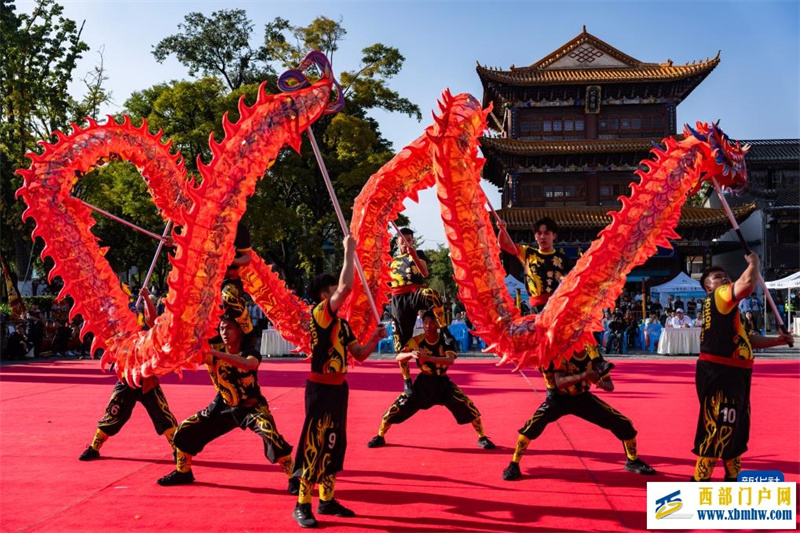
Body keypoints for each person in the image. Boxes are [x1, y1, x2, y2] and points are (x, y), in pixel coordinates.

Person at [292, 235, 386, 528]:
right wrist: (349, 251)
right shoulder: (320, 314)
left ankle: (328, 499)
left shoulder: (342, 325)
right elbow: (347, 287)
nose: (340, 293)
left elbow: (359, 354)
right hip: (319, 389)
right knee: (315, 444)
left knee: (333, 445)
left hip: (339, 389)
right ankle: (302, 504)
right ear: (324, 295)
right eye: (332, 290)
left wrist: (374, 339)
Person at [156, 311, 298, 493]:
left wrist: (215, 353)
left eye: (229, 328)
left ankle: (294, 478)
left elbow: (249, 365)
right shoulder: (213, 348)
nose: (224, 331)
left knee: (270, 433)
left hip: (251, 406)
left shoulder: (250, 352)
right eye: (222, 328)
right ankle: (183, 471)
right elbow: (192, 356)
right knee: (185, 428)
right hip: (223, 404)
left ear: (239, 330)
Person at [691, 255, 793, 482]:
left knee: (734, 426)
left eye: (725, 276)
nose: (724, 279)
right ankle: (699, 483)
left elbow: (748, 340)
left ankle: (732, 478)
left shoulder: (731, 311)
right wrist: (755, 262)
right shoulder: (719, 296)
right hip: (721, 373)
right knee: (718, 427)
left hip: (735, 373)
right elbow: (747, 284)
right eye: (718, 277)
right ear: (708, 287)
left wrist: (778, 340)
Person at [502, 343, 655, 481]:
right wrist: (585, 375)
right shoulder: (560, 349)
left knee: (623, 423)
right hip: (557, 399)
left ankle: (632, 461)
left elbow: (610, 385)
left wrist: (601, 382)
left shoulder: (592, 351)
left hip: (582, 398)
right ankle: (514, 464)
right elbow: (559, 382)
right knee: (531, 427)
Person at [365, 310, 495, 451]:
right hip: (423, 384)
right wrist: (411, 354)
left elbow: (450, 360)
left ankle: (482, 437)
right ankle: (380, 435)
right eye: (425, 322)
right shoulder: (417, 340)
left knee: (467, 405)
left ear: (438, 324)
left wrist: (428, 358)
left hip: (442, 383)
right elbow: (398, 357)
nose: (428, 325)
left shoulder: (446, 339)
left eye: (431, 322)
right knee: (397, 406)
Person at [79, 288, 179, 462]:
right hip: (126, 379)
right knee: (114, 412)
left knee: (163, 415)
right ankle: (94, 447)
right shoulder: (121, 329)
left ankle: (178, 449)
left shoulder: (148, 333)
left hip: (146, 380)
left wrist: (147, 298)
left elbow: (153, 320)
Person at [388, 227, 450, 396]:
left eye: (409, 239)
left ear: (412, 241)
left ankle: (444, 329)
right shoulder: (390, 261)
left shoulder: (419, 254)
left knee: (431, 294)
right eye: (402, 239)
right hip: (398, 301)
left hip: (415, 293)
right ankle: (407, 380)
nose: (406, 242)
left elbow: (425, 272)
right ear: (397, 241)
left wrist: (413, 254)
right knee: (401, 344)